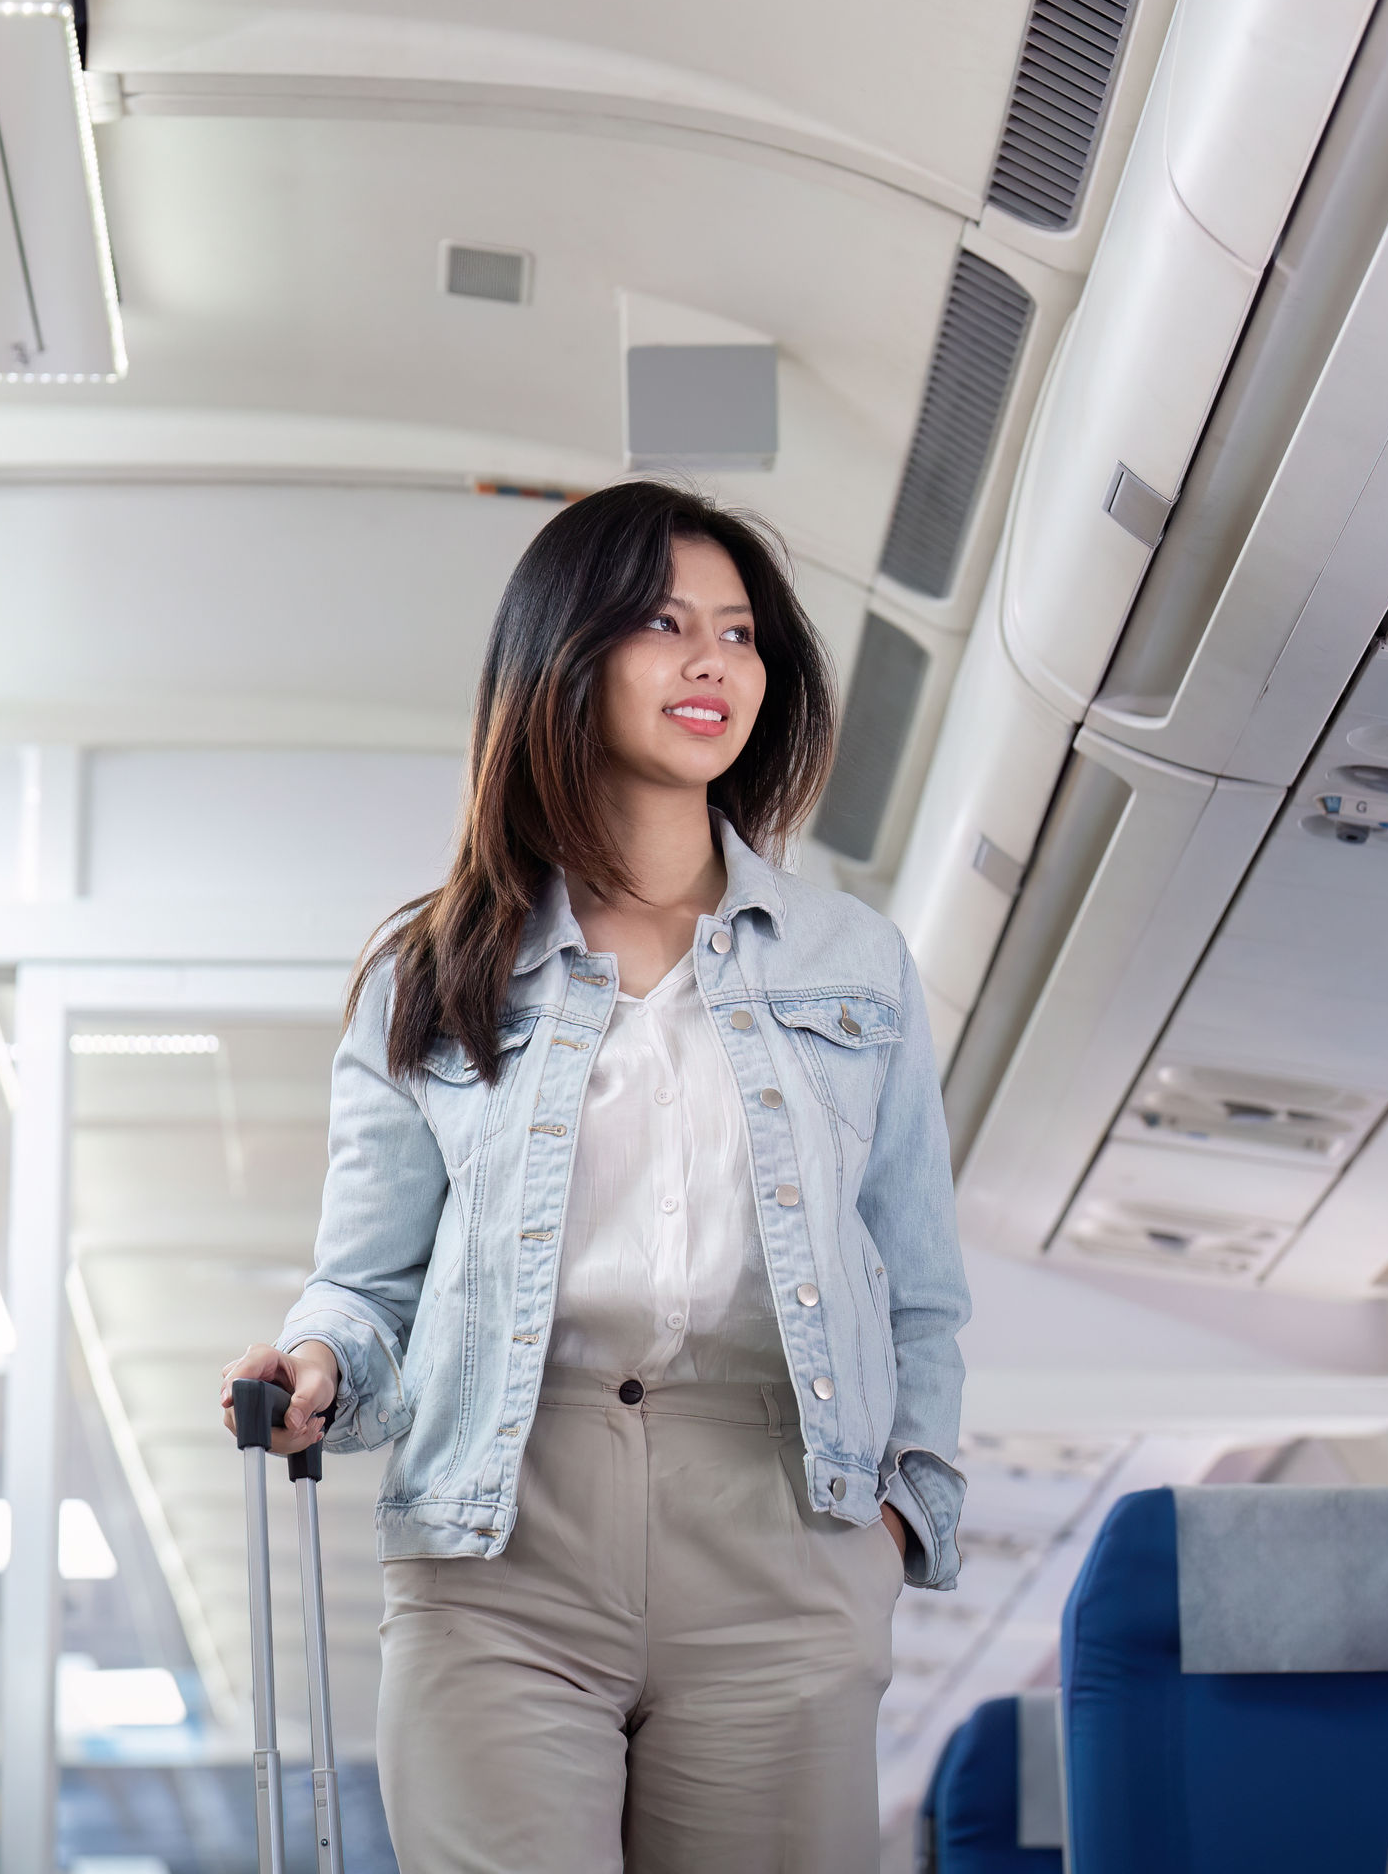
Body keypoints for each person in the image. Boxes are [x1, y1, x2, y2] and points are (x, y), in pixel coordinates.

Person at [224, 478, 971, 1873]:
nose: (713, 662)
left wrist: (895, 1516)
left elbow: (917, 1280)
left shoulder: (850, 967)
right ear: (562, 664)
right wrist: (322, 1362)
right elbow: (366, 1283)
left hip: (780, 1523)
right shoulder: (434, 973)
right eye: (663, 624)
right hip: (505, 1539)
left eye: (740, 633)